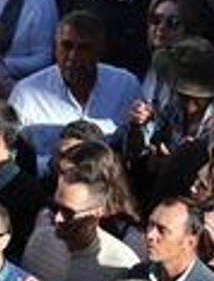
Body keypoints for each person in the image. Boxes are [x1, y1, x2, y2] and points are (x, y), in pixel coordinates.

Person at [9, 11, 142, 174]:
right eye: (67, 45)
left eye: (84, 48)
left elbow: (137, 152)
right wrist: (50, 165)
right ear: (55, 47)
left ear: (100, 50)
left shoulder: (125, 86)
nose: (73, 56)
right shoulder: (26, 95)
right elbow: (10, 158)